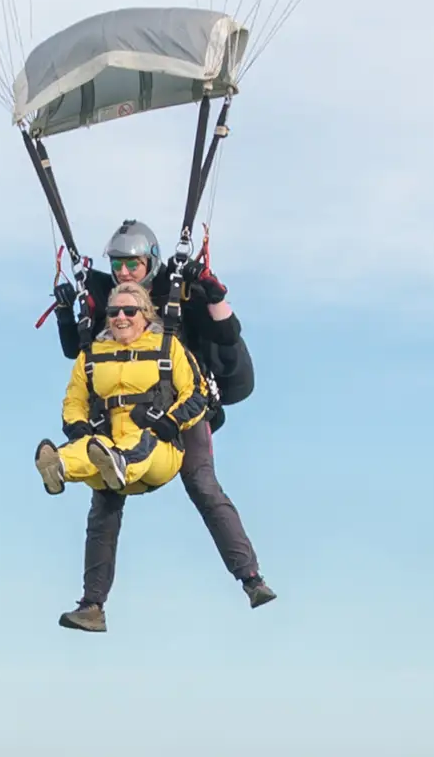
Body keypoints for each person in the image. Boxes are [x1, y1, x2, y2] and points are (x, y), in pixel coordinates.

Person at [42, 224, 270, 625]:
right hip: (121, 420)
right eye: (119, 264)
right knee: (104, 499)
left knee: (201, 483)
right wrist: (66, 312)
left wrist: (214, 296)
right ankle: (92, 605)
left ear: (150, 263)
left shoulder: (180, 290)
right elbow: (79, 356)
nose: (126, 272)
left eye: (134, 263)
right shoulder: (108, 303)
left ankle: (250, 577)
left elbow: (227, 335)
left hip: (183, 410)